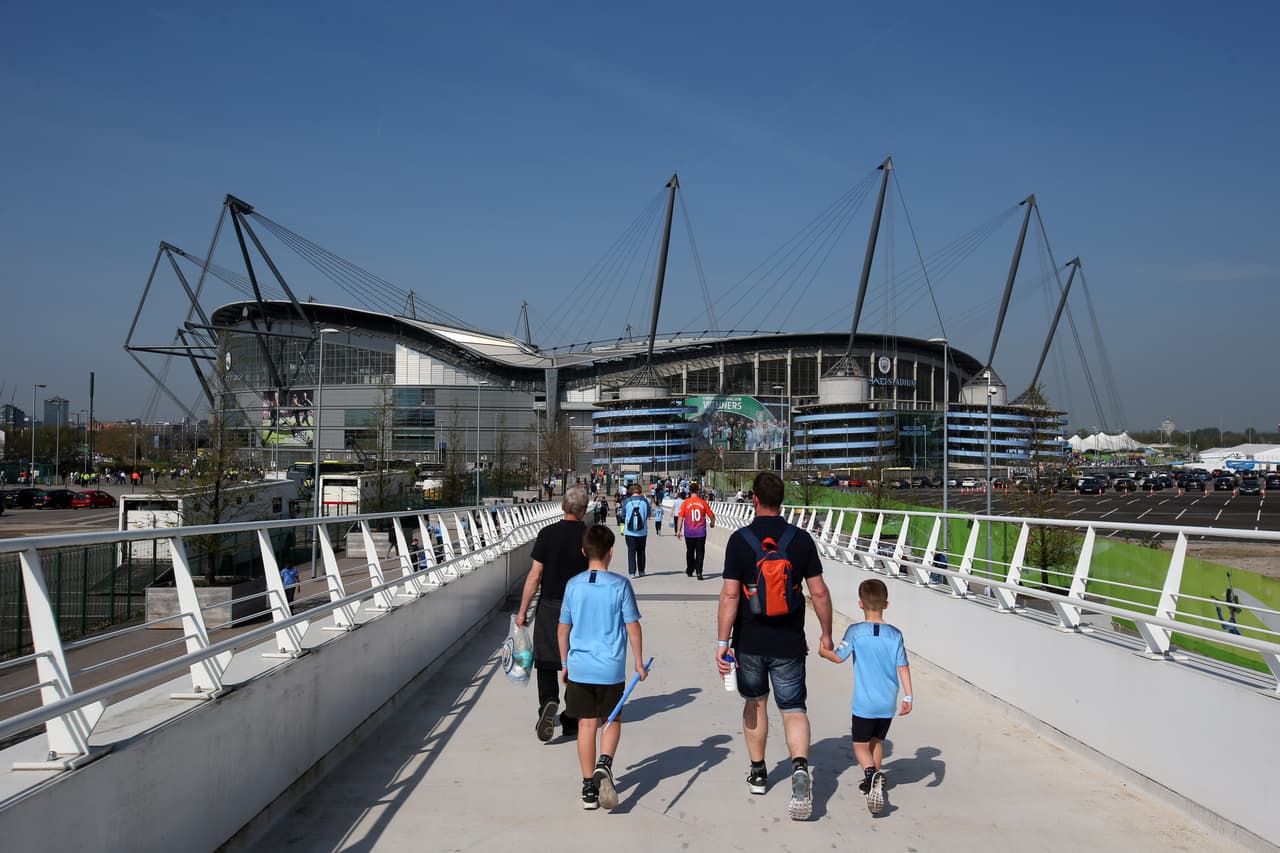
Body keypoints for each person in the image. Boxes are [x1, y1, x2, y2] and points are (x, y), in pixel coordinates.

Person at [716, 470, 832, 821]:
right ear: (781, 500)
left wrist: (723, 642)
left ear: (754, 499)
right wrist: (825, 634)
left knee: (755, 703)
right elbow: (819, 592)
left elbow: (730, 594)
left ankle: (758, 772)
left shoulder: (740, 541)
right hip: (790, 641)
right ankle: (799, 767)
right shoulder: (800, 540)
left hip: (750, 640)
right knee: (793, 708)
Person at [557, 524, 644, 810]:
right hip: (610, 668)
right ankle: (605, 764)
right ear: (611, 552)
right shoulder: (620, 585)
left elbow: (563, 629)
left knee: (586, 724)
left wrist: (564, 663)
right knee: (612, 720)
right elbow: (632, 627)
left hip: (580, 665)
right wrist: (639, 663)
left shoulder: (573, 585)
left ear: (584, 552)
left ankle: (587, 788)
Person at [818, 578, 913, 815]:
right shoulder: (895, 635)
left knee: (860, 747)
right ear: (886, 604)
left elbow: (839, 657)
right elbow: (903, 666)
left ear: (860, 604)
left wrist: (823, 652)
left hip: (864, 703)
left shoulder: (856, 632)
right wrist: (908, 696)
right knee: (876, 743)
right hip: (888, 702)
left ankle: (871, 775)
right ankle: (873, 782)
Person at [517, 487, 590, 742]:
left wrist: (523, 611)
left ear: (562, 507)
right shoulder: (588, 536)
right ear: (584, 510)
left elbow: (535, 575)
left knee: (547, 660)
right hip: (580, 607)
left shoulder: (547, 534)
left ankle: (548, 701)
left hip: (549, 605)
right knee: (577, 660)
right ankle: (571, 715)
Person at [675, 482, 715, 580]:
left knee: (690, 551)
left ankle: (689, 570)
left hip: (689, 532)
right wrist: (712, 523)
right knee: (700, 552)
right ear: (698, 491)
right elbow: (712, 515)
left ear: (689, 491)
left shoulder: (685, 503)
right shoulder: (703, 502)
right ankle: (699, 572)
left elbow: (680, 517)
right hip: (701, 532)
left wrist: (678, 530)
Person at [620, 484, 650, 578]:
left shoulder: (627, 501)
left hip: (629, 532)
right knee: (641, 551)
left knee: (631, 551)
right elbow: (648, 515)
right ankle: (641, 571)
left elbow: (623, 515)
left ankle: (632, 572)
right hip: (642, 532)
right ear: (639, 491)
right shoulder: (645, 501)